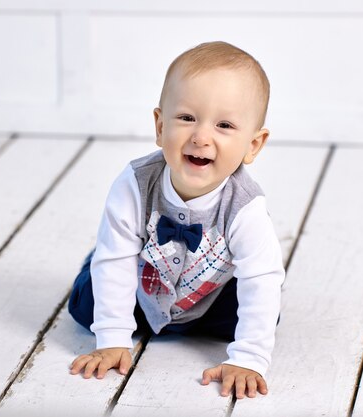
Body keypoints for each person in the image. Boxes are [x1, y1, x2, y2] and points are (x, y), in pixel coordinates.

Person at [68, 41, 285, 399]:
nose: (201, 137)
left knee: (261, 309)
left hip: (207, 294)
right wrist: (112, 338)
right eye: (186, 118)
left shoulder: (245, 207)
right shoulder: (135, 184)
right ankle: (100, 256)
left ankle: (189, 322)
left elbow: (261, 277)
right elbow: (117, 266)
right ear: (159, 125)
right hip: (142, 280)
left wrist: (248, 358)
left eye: (225, 125)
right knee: (86, 303)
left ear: (253, 145)